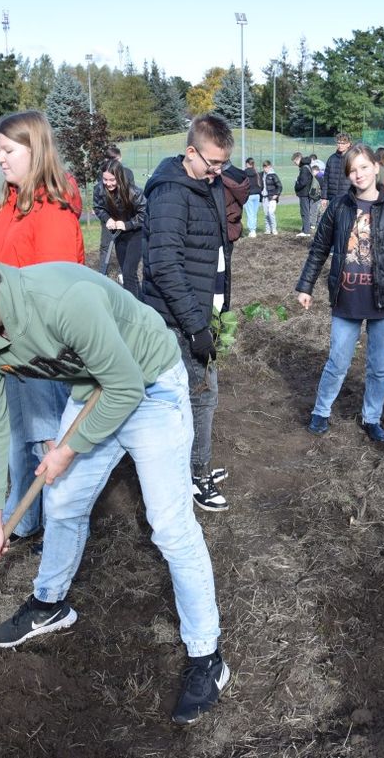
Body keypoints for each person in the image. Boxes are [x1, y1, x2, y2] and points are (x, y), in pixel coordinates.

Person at [0, 249, 228, 726]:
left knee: (170, 525)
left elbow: (126, 386)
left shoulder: (65, 300)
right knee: (62, 500)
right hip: (93, 392)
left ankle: (206, 654)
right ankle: (49, 604)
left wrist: (67, 449)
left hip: (148, 385)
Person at [0, 110, 85, 545]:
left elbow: (59, 294)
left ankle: (65, 524)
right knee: (18, 435)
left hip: (39, 349)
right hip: (8, 340)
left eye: (7, 150)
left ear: (35, 149)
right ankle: (24, 518)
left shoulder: (51, 213)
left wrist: (27, 341)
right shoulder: (11, 203)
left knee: (47, 440)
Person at [296, 144, 384, 442]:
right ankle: (321, 411)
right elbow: (319, 248)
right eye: (352, 170)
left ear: (376, 166)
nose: (358, 174)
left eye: (363, 167)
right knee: (337, 361)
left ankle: (372, 418)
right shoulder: (338, 207)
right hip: (347, 298)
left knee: (378, 366)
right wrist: (305, 286)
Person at [143, 114, 234, 513]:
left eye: (223, 164)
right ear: (190, 151)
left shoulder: (203, 185)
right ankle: (194, 476)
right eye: (212, 163)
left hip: (200, 313)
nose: (217, 172)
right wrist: (196, 326)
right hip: (177, 320)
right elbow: (163, 265)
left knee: (202, 394)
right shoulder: (171, 194)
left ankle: (197, 465)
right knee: (197, 396)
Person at [93, 159, 146, 299]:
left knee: (128, 273)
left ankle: (133, 311)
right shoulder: (99, 190)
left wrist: (127, 224)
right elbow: (98, 208)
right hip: (119, 235)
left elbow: (145, 214)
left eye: (112, 180)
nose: (108, 183)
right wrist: (107, 219)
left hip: (136, 233)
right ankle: (142, 303)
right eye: (105, 179)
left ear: (119, 177)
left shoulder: (133, 192)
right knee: (129, 274)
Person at [321, 132, 352, 210]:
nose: (340, 145)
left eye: (343, 143)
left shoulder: (353, 158)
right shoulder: (332, 158)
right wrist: (324, 197)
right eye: (338, 143)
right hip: (333, 197)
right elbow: (326, 179)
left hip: (347, 197)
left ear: (348, 144)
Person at [292, 151, 314, 237]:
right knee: (305, 211)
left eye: (295, 162)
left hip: (304, 193)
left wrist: (296, 184)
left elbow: (303, 182)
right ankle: (305, 229)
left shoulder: (304, 168)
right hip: (306, 193)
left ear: (298, 159)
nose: (295, 164)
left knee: (305, 212)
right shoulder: (307, 166)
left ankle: (306, 231)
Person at [243, 157, 262, 238]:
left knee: (250, 213)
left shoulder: (244, 173)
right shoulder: (256, 172)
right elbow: (261, 184)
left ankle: (252, 231)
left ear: (247, 164)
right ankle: (253, 229)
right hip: (257, 195)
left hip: (249, 195)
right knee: (254, 213)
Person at [261, 160, 281, 235]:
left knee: (271, 212)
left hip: (272, 197)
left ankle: (274, 229)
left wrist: (276, 194)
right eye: (264, 167)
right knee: (266, 214)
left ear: (270, 167)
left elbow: (279, 186)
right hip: (264, 197)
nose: (266, 169)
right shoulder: (262, 175)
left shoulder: (273, 175)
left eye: (267, 167)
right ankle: (268, 229)